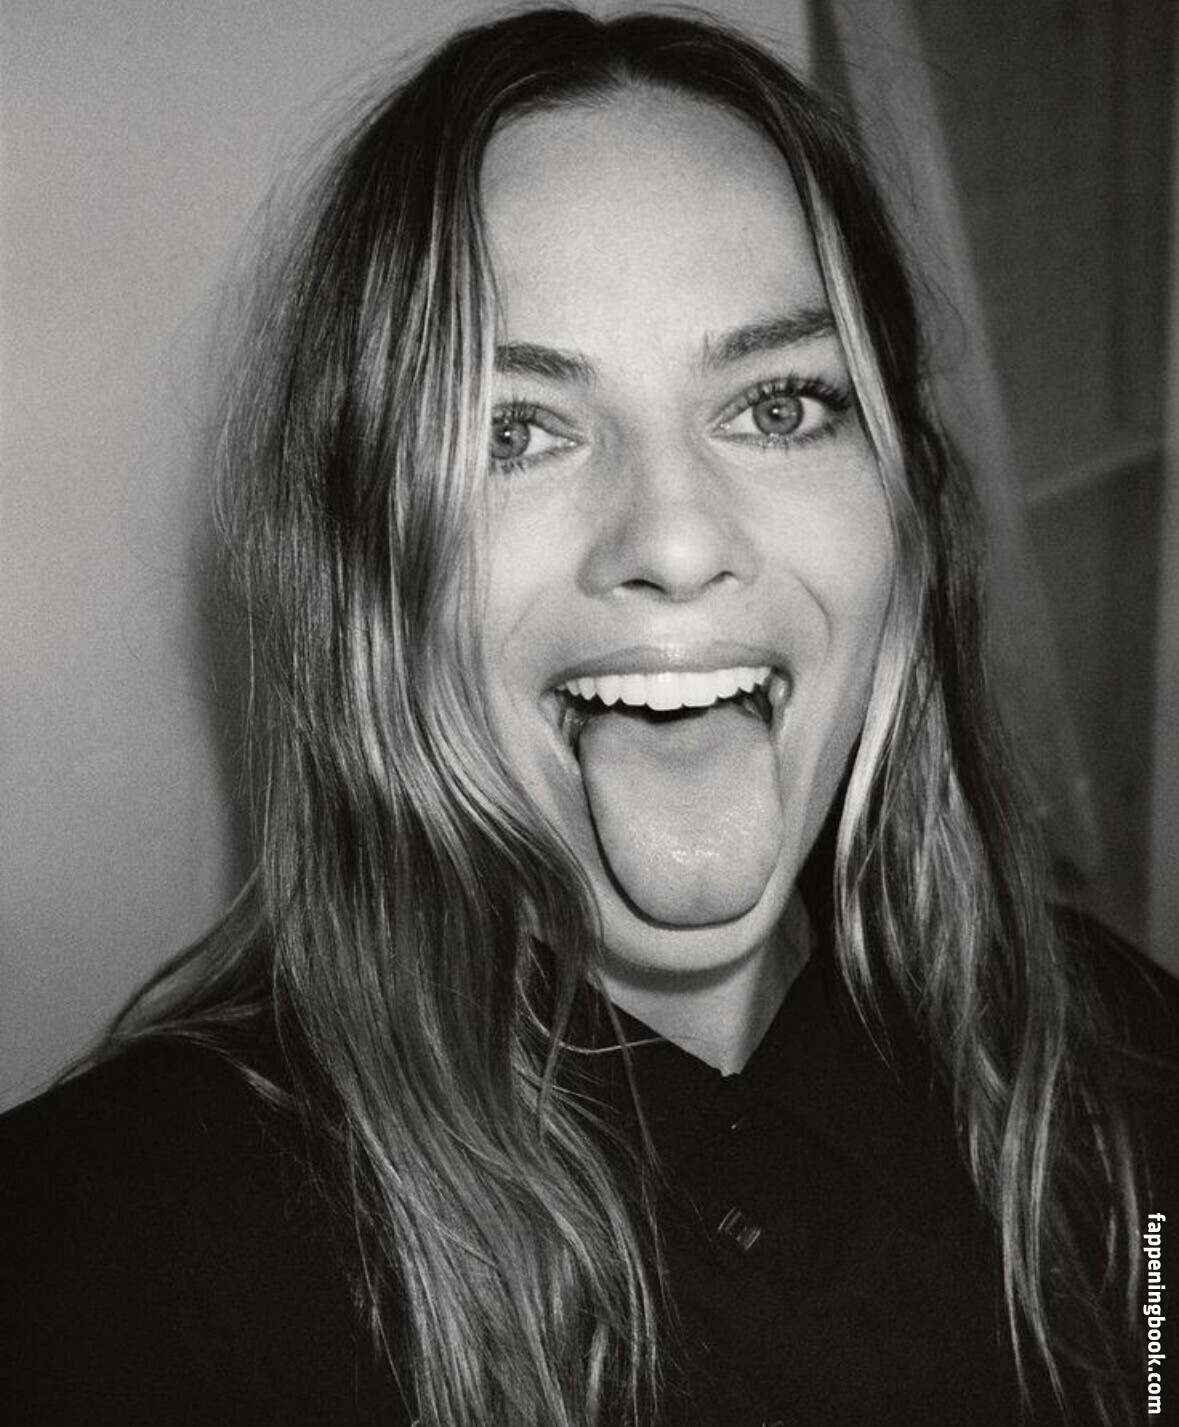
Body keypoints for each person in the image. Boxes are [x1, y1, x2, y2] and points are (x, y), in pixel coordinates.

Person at [2, 8, 1176, 1425]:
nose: (674, 541)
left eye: (781, 406)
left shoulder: (1121, 1067)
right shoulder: (99, 1270)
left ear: (908, 512)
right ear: (363, 568)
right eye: (513, 431)